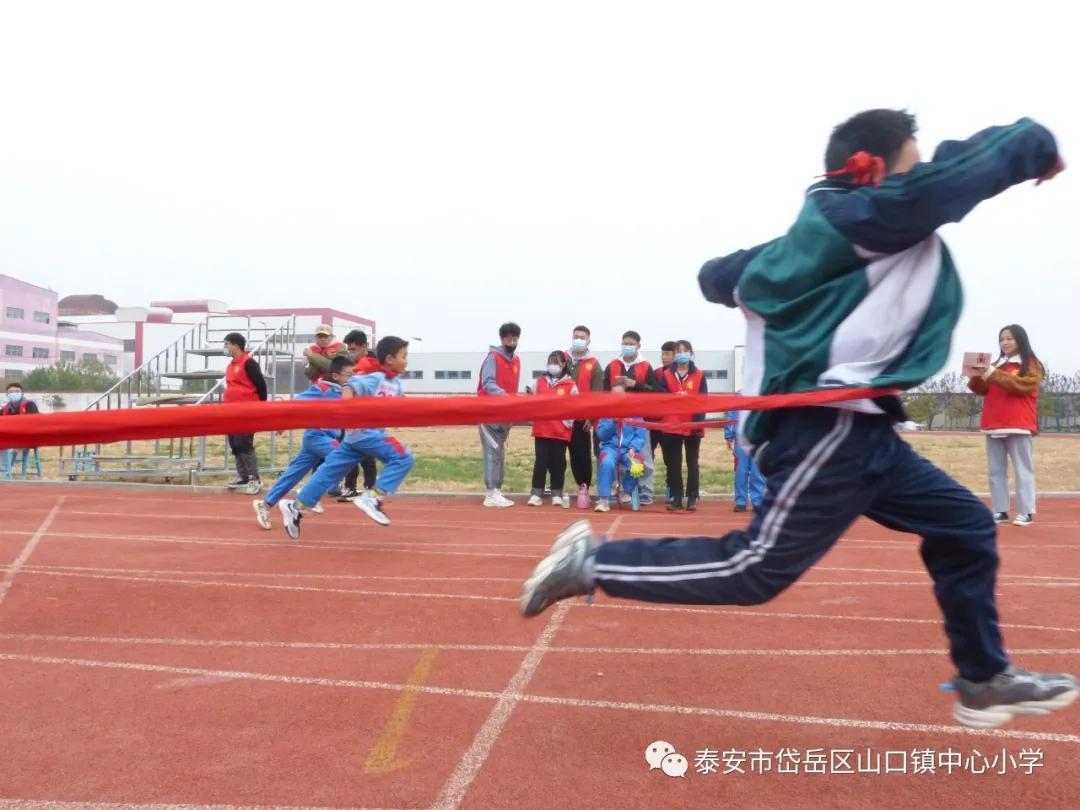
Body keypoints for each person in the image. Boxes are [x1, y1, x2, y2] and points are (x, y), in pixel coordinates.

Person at [520, 111, 1077, 729]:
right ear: (873, 172)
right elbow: (957, 172)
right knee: (756, 568)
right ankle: (593, 564)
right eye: (910, 166)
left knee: (964, 524)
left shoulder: (830, 234)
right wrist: (1036, 145)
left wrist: (795, 257)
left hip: (868, 431)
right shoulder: (874, 214)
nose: (918, 179)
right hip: (826, 425)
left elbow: (716, 276)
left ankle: (982, 678)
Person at [279, 336, 415, 536]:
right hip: (364, 433)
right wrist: (349, 417)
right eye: (404, 356)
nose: (406, 361)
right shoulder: (376, 378)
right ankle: (373, 496)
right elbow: (349, 387)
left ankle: (295, 507)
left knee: (329, 472)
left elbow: (402, 404)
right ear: (389, 359)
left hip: (356, 439)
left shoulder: (396, 384)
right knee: (403, 457)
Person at [252, 356, 353, 530]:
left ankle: (265, 504)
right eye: (349, 375)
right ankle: (309, 492)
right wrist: (282, 423)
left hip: (323, 439)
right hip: (317, 437)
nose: (352, 378)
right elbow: (297, 403)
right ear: (336, 375)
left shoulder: (344, 391)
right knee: (343, 457)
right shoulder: (322, 389)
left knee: (293, 473)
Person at [966, 324, 1044, 527]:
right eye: (1002, 339)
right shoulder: (997, 365)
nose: (1005, 342)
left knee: (1023, 470)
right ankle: (1000, 510)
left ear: (1020, 340)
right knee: (996, 471)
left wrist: (992, 373)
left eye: (1009, 338)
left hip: (1018, 423)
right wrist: (975, 375)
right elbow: (980, 389)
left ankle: (1026, 511)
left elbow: (1021, 386)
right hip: (993, 423)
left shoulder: (1032, 364)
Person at [603, 330, 658, 505]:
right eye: (625, 343)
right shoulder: (612, 365)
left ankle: (646, 493)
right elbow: (604, 392)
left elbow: (654, 391)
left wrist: (636, 384)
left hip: (638, 418)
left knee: (643, 457)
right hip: (615, 417)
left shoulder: (645, 366)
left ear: (638, 346)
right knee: (615, 456)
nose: (627, 346)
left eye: (631, 344)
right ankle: (620, 490)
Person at [657, 340, 707, 512]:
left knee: (692, 462)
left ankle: (692, 497)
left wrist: (697, 424)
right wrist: (674, 398)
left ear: (691, 353)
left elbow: (703, 401)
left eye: (685, 351)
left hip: (692, 424)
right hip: (672, 425)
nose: (681, 354)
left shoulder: (699, 375)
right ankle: (676, 497)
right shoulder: (666, 375)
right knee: (674, 464)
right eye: (678, 351)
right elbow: (661, 397)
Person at [478, 322, 521, 508]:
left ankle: (497, 489)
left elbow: (514, 388)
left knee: (500, 453)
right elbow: (487, 383)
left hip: (505, 414)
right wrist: (505, 397)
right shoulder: (493, 358)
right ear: (502, 339)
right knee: (492, 451)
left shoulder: (516, 361)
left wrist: (512, 412)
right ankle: (491, 493)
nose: (512, 342)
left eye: (515, 339)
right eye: (509, 339)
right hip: (488, 413)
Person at [528, 351, 579, 508]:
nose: (553, 365)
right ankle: (536, 493)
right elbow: (532, 401)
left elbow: (575, 406)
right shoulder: (540, 381)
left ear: (563, 364)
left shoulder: (570, 385)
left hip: (560, 432)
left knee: (558, 462)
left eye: (556, 362)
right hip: (542, 429)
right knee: (541, 461)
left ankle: (557, 493)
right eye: (550, 362)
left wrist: (566, 423)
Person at [223, 332, 268, 495]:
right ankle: (242, 476)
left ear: (236, 346)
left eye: (226, 344)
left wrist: (258, 407)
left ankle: (254, 478)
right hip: (231, 411)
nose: (225, 347)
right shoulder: (230, 365)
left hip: (247, 411)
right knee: (235, 443)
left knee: (244, 443)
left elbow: (261, 386)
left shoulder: (249, 363)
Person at [336, 329, 379, 500]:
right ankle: (350, 487)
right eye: (349, 349)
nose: (350, 352)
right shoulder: (355, 364)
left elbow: (354, 376)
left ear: (364, 347)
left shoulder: (371, 363)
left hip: (367, 415)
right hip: (353, 414)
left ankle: (370, 489)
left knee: (366, 454)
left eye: (353, 349)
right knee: (349, 450)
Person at [594, 384, 650, 513]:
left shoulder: (635, 411)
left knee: (638, 465)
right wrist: (612, 423)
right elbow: (601, 435)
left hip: (628, 450)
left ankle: (626, 490)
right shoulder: (605, 411)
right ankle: (604, 499)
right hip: (610, 448)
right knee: (607, 463)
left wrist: (633, 447)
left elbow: (640, 434)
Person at [566, 325, 604, 504]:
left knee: (581, 455)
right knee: (558, 454)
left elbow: (598, 393)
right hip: (561, 417)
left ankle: (584, 487)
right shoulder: (563, 358)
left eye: (582, 337)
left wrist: (592, 417)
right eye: (576, 336)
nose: (579, 340)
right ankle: (555, 488)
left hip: (582, 418)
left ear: (588, 341)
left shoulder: (594, 364)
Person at [725, 392, 765, 513]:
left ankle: (757, 501)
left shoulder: (764, 393)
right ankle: (741, 501)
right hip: (741, 439)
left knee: (757, 472)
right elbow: (731, 415)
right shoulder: (739, 395)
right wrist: (729, 435)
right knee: (741, 471)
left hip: (758, 439)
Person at [2, 383, 41, 477]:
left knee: (8, 448)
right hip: (11, 438)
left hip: (28, 437)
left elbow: (34, 424)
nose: (14, 393)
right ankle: (4, 471)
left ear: (22, 393)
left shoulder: (30, 405)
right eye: (11, 392)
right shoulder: (5, 409)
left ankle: (5, 472)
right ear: (7, 394)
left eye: (17, 391)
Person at [653, 341, 677, 483]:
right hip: (653, 421)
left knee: (671, 458)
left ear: (675, 355)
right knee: (646, 456)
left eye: (667, 354)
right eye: (662, 354)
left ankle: (671, 487)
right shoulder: (656, 373)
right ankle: (643, 488)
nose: (664, 357)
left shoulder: (678, 374)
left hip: (669, 423)